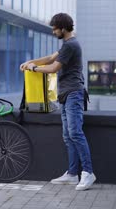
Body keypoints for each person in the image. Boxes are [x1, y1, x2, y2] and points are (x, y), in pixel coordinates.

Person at [19, 13, 96, 191]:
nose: (53, 32)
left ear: (63, 28)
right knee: (68, 136)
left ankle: (88, 173)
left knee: (75, 133)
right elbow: (50, 58)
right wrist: (29, 62)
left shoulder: (71, 45)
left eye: (55, 29)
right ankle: (71, 174)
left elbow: (53, 67)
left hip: (73, 94)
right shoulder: (67, 45)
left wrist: (34, 68)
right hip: (65, 95)